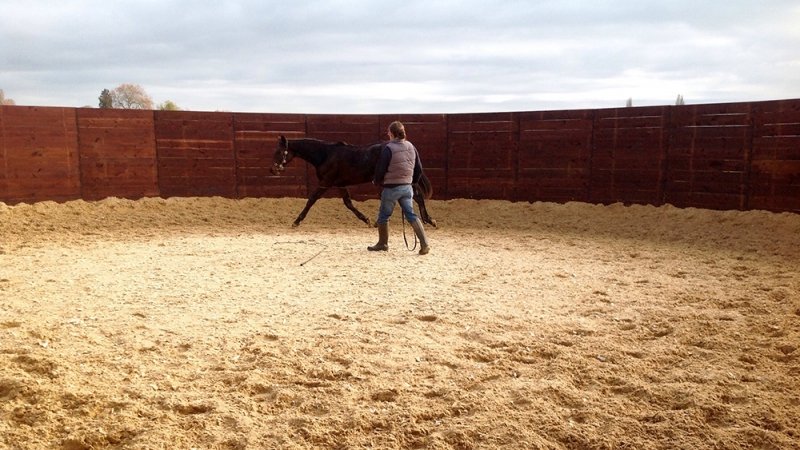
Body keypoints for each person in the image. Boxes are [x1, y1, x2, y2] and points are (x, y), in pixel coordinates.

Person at [368, 121, 430, 255]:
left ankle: (383, 244)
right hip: (407, 188)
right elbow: (419, 169)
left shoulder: (388, 148)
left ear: (391, 133)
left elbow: (381, 168)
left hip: (391, 188)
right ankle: (425, 244)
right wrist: (412, 182)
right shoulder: (411, 146)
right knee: (411, 215)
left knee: (383, 216)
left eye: (388, 132)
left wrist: (377, 181)